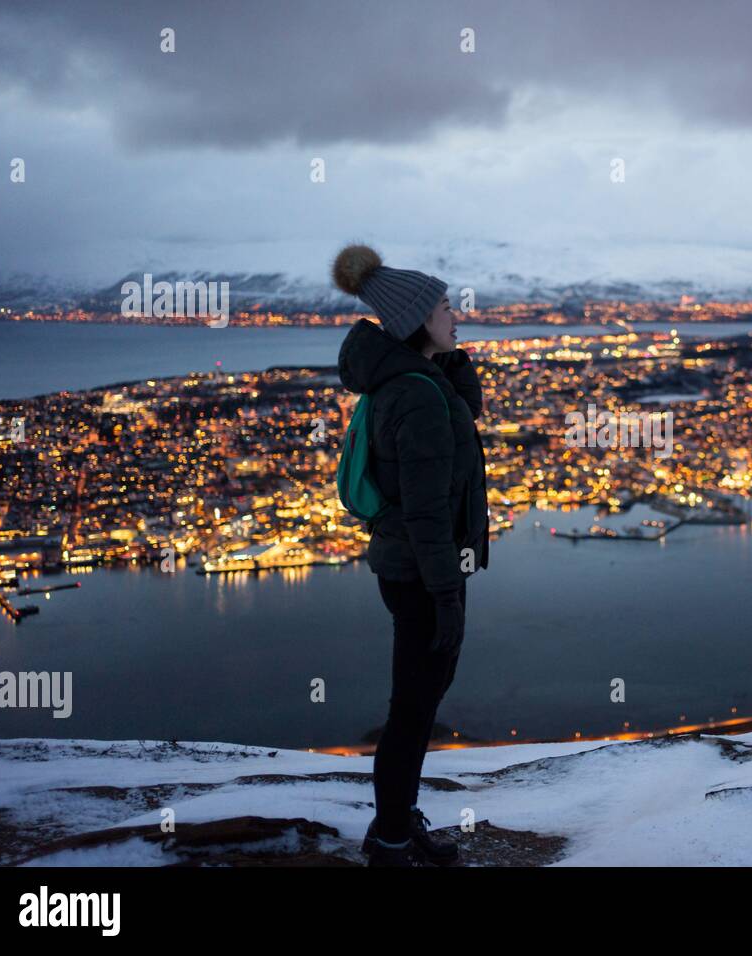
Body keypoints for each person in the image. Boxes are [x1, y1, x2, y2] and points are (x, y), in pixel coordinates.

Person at [333, 243, 489, 867]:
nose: (458, 316)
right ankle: (393, 839)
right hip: (425, 572)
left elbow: (463, 419)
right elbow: (427, 514)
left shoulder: (412, 382)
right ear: (419, 320)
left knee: (417, 702)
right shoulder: (416, 396)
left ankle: (396, 822)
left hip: (413, 569)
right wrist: (448, 596)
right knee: (413, 708)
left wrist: (450, 363)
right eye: (447, 308)